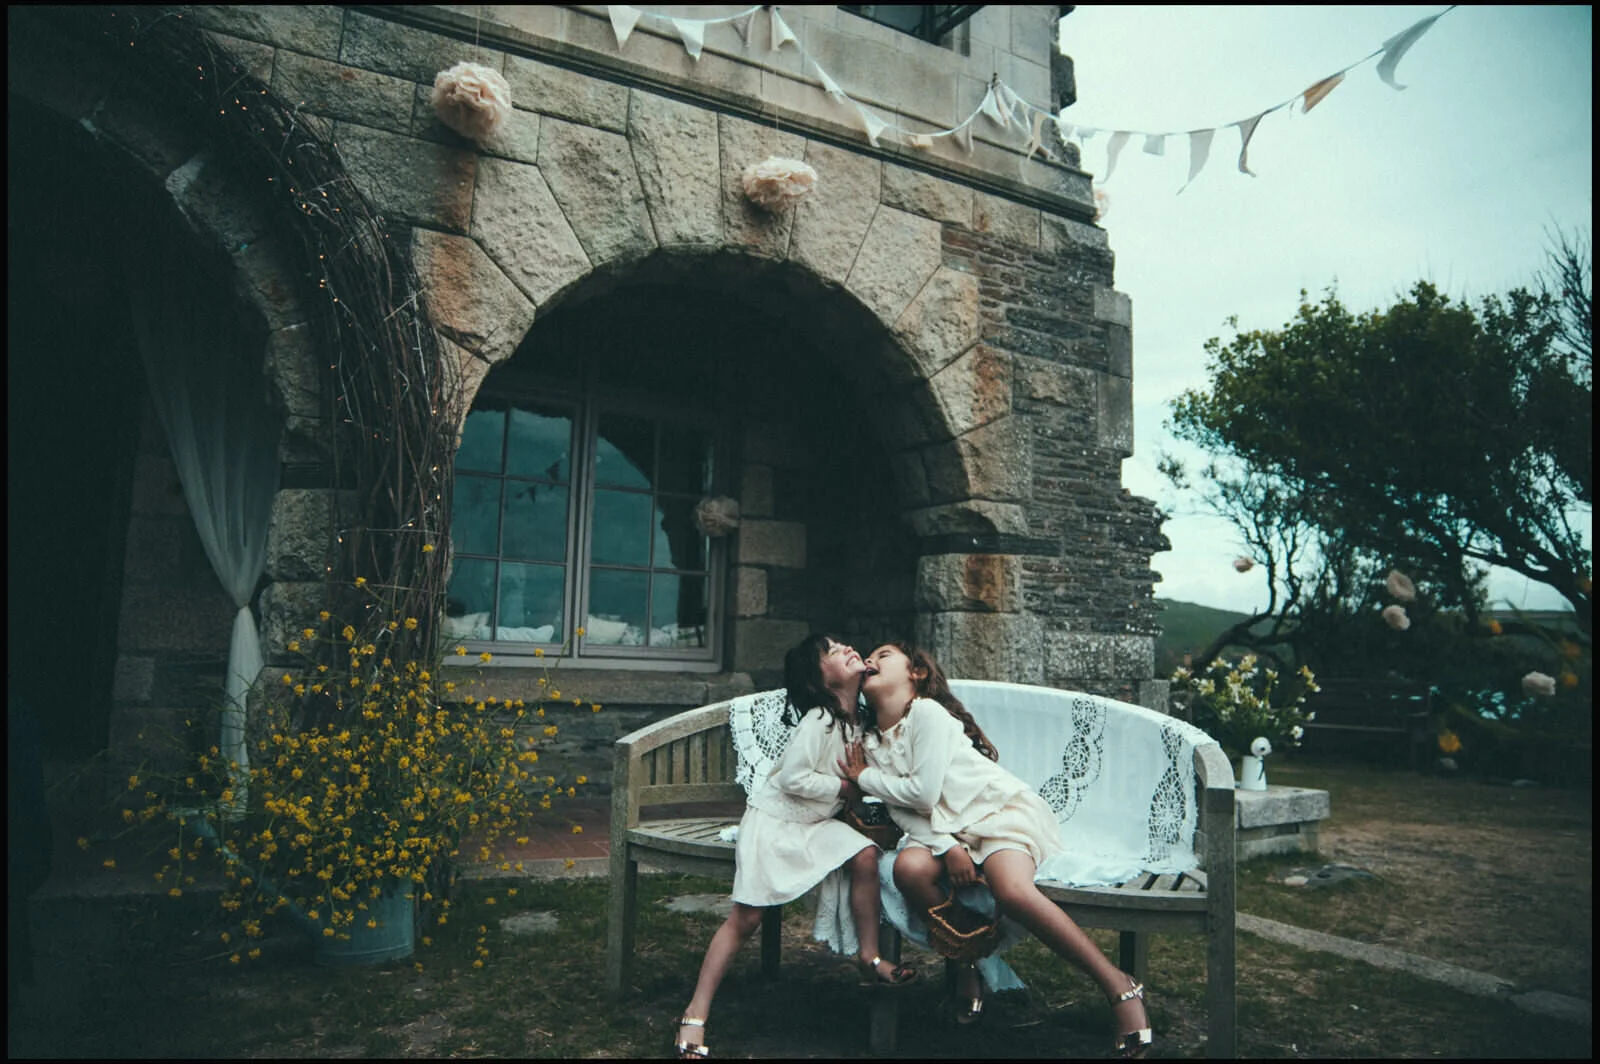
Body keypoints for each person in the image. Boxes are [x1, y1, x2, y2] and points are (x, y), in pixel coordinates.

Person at [840, 641, 1154, 1059]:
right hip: (943, 829)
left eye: (884, 655)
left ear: (915, 674)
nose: (871, 661)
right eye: (869, 659)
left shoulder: (928, 714)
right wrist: (948, 848)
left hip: (995, 815)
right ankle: (969, 958)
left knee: (1012, 890)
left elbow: (923, 791)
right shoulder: (872, 744)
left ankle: (1119, 986)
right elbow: (907, 813)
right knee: (909, 869)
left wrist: (865, 780)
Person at [674, 634, 917, 1058]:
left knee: (865, 856)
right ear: (817, 681)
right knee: (745, 919)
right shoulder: (820, 720)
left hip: (814, 823)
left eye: (842, 642)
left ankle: (869, 957)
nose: (844, 647)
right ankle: (696, 1012)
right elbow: (792, 779)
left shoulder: (860, 720)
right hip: (776, 823)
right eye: (830, 650)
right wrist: (845, 785)